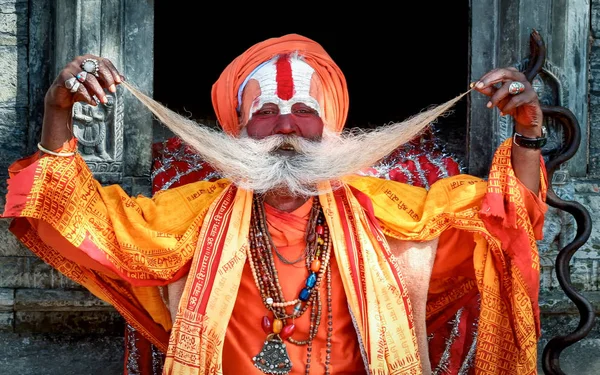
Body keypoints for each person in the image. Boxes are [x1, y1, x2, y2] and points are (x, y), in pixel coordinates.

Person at [2, 34, 547, 375]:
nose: (286, 125)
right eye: (266, 111)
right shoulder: (190, 213)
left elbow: (505, 218)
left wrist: (526, 133)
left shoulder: (389, 210)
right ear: (238, 129)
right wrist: (58, 109)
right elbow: (73, 212)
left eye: (305, 109)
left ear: (332, 127)